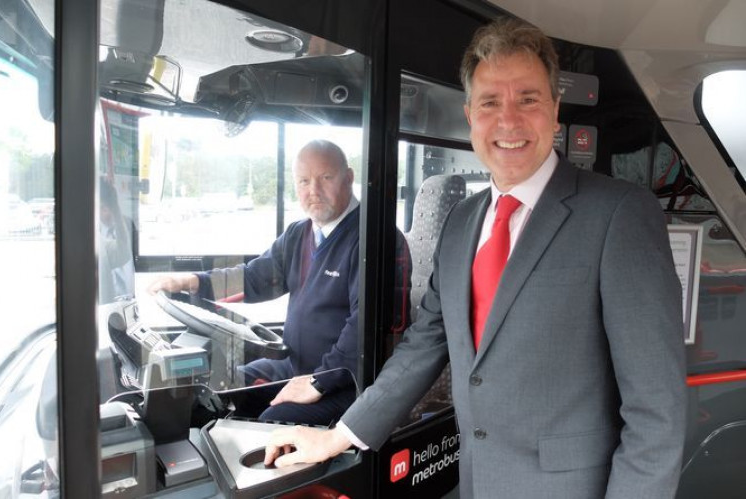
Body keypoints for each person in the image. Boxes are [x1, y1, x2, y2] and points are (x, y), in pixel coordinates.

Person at [265, 18, 687, 499]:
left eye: (527, 99)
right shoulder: (462, 222)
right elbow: (423, 346)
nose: (508, 121)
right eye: (490, 103)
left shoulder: (619, 215)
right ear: (470, 116)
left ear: (554, 111)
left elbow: (657, 412)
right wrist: (339, 435)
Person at [149, 139, 407, 426]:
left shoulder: (374, 238)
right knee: (219, 391)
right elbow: (254, 278)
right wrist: (195, 281)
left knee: (273, 422)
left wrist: (317, 382)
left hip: (349, 381)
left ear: (348, 178)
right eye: (304, 181)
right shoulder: (298, 234)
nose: (314, 191)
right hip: (295, 366)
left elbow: (365, 329)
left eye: (326, 178)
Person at [98, 176, 135, 304]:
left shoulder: (127, 226)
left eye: (108, 207)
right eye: (101, 207)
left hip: (129, 303)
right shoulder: (92, 236)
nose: (106, 212)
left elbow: (125, 253)